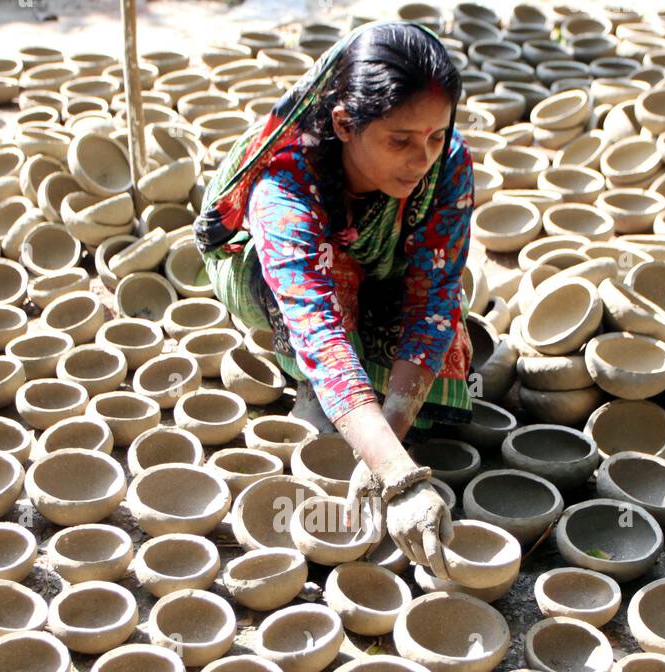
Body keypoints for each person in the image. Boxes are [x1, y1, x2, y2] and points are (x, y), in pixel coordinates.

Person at [195, 20, 475, 578]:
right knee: (331, 320)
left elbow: (436, 293)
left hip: (382, 267)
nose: (421, 159)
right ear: (346, 124)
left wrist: (391, 435)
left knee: (441, 402)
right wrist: (400, 477)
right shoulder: (284, 185)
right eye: (400, 140)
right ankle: (313, 392)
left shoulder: (445, 165)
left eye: (435, 136)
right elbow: (318, 330)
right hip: (276, 276)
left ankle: (370, 412)